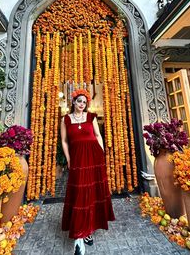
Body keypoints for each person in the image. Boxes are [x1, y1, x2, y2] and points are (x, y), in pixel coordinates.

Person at [61, 89, 115, 255]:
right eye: (79, 101)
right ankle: (79, 234)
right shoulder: (66, 119)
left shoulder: (91, 117)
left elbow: (98, 136)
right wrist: (69, 159)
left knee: (91, 193)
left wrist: (101, 152)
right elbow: (64, 141)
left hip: (94, 158)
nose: (81, 105)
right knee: (79, 192)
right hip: (77, 159)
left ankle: (87, 231)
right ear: (74, 102)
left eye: (84, 102)